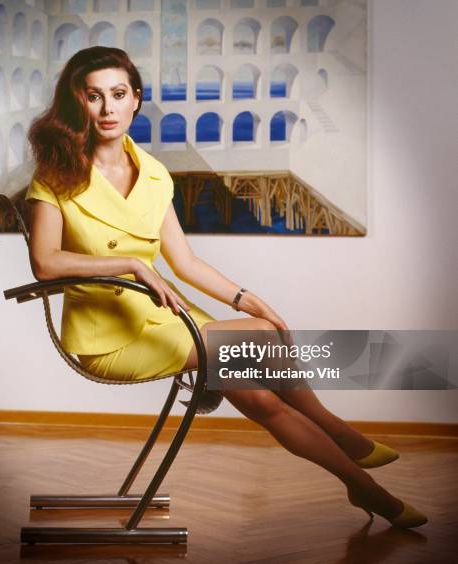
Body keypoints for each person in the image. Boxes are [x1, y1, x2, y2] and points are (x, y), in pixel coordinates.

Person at [25, 46, 427, 529]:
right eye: (94, 97)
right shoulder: (57, 173)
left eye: (117, 94)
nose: (107, 109)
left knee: (261, 395)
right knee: (260, 337)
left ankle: (363, 488)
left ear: (136, 99)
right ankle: (344, 437)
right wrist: (131, 263)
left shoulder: (153, 175)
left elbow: (185, 262)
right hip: (106, 336)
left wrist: (248, 297)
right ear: (79, 104)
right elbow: (45, 263)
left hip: (164, 318)